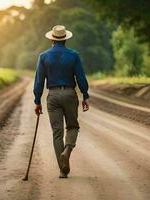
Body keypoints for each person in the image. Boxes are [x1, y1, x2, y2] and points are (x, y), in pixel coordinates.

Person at [33, 25, 89, 178]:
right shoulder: (74, 55)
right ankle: (67, 150)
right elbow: (81, 78)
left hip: (53, 96)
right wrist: (85, 95)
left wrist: (37, 100)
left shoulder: (44, 56)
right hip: (70, 94)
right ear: (65, 39)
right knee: (72, 126)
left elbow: (39, 81)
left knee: (57, 133)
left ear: (51, 39)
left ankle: (63, 170)